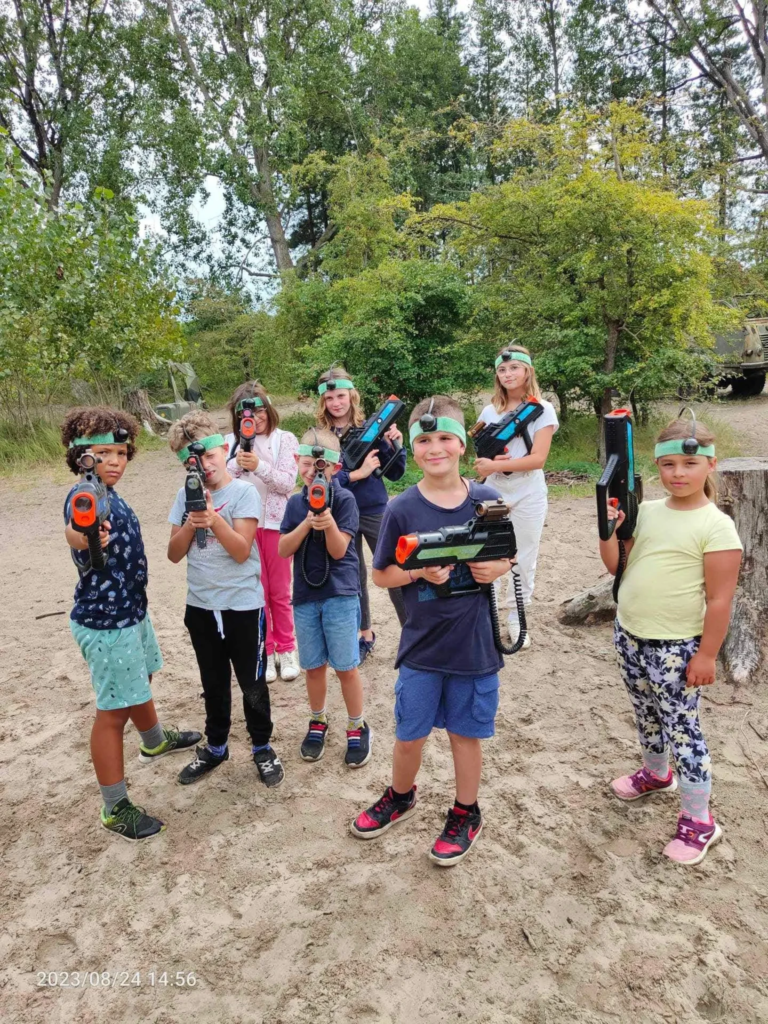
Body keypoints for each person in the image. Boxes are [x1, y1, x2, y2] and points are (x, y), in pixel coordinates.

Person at [350, 397, 512, 867]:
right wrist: (420, 573)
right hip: (420, 644)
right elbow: (381, 575)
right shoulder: (401, 508)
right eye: (423, 440)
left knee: (466, 734)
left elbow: (508, 557)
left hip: (474, 645)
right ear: (412, 448)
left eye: (444, 438)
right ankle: (400, 796)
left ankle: (466, 812)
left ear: (462, 444)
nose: (434, 448)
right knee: (410, 732)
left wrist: (494, 569)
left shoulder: (486, 501)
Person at [600, 416, 742, 865]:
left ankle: (699, 819)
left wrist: (707, 654)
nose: (678, 473)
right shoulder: (649, 512)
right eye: (668, 465)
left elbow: (719, 600)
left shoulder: (716, 526)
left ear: (709, 465)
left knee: (684, 729)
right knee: (645, 714)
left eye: (689, 463)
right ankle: (657, 774)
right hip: (631, 634)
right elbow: (616, 566)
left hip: (677, 647)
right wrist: (610, 528)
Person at [62, 407, 201, 842]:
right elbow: (75, 524)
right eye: (103, 453)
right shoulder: (85, 495)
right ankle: (114, 807)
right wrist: (85, 535)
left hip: (129, 614)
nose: (115, 461)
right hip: (106, 624)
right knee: (112, 713)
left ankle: (155, 739)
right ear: (81, 457)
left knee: (143, 677)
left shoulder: (110, 490)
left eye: (121, 452)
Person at [167, 411, 284, 789]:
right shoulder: (183, 497)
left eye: (209, 455)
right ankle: (216, 746)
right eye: (192, 460)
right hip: (200, 606)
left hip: (243, 607)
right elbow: (172, 553)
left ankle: (262, 746)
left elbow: (240, 550)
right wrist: (191, 519)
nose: (203, 465)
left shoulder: (244, 492)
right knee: (212, 681)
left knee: (252, 682)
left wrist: (214, 519)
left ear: (223, 448)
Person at [278, 428, 373, 768]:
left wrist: (328, 521)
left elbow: (338, 549)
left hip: (340, 595)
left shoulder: (345, 500)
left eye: (320, 464)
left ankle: (356, 725)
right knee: (313, 667)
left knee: (346, 667)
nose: (313, 471)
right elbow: (283, 548)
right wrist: (306, 523)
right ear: (297, 463)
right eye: (306, 464)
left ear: (334, 466)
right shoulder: (293, 503)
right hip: (305, 596)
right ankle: (318, 720)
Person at [316, 366, 407, 663]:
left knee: (394, 570)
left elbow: (395, 473)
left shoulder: (372, 427)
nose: (336, 403)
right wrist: (357, 474)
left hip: (375, 510)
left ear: (351, 395)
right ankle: (363, 634)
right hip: (341, 512)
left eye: (341, 395)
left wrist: (397, 445)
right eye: (329, 398)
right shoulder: (319, 437)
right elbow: (322, 481)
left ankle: (413, 631)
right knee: (352, 579)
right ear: (323, 402)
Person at [474, 345, 558, 648]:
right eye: (502, 369)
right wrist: (487, 465)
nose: (508, 374)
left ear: (527, 371)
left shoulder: (542, 409)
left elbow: (538, 459)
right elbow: (483, 455)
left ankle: (516, 615)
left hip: (528, 489)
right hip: (494, 488)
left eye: (514, 368)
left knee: (524, 555)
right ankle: (490, 612)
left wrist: (497, 464)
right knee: (489, 551)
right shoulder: (489, 411)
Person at [224, 381, 300, 683]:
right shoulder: (229, 441)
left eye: (258, 411)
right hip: (243, 526)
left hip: (276, 525)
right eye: (246, 413)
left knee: (280, 591)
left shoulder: (285, 439)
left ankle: (287, 648)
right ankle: (265, 649)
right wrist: (239, 463)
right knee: (255, 591)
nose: (254, 418)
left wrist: (258, 465)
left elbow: (286, 483)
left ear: (268, 409)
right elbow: (222, 480)